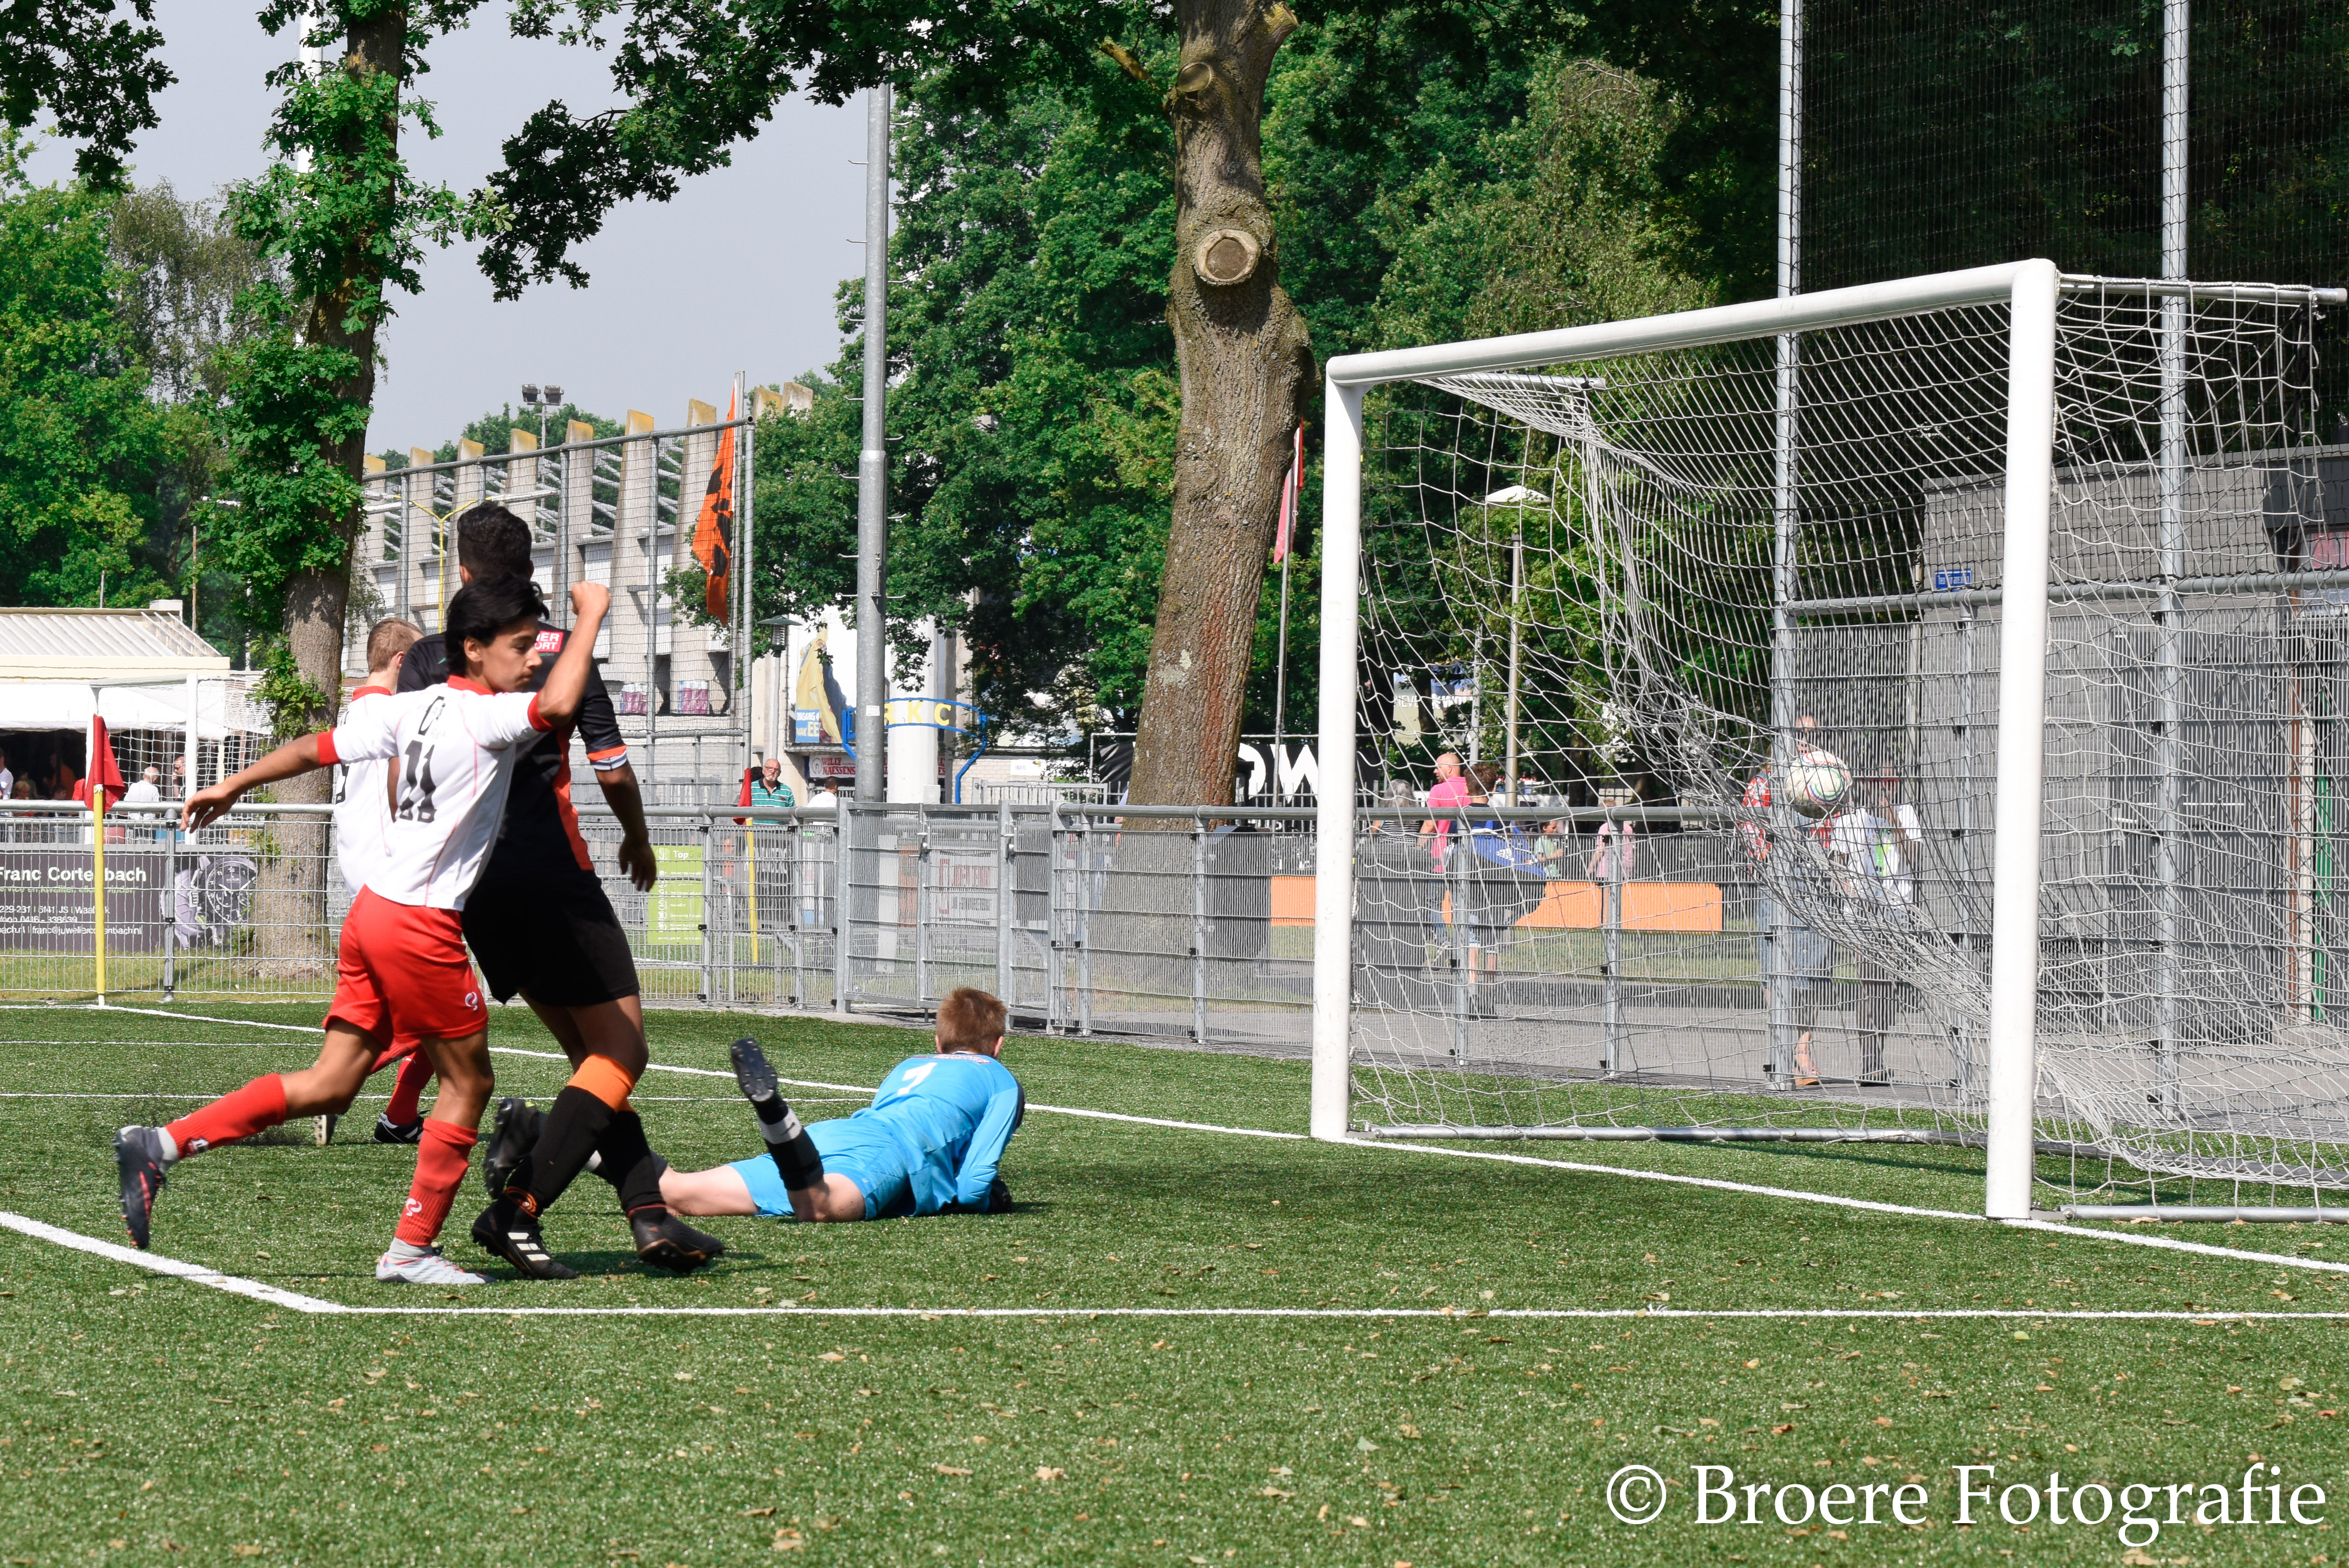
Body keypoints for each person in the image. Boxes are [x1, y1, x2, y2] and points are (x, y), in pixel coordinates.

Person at [111, 577, 614, 1286]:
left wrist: (233, 785)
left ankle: (160, 1143)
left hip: (373, 911)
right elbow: (561, 705)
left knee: (332, 1082)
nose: (534, 658)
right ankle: (411, 1250)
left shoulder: (408, 706)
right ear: (473, 649)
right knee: (469, 1082)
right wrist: (592, 614)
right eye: (523, 645)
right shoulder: (489, 716)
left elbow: (313, 749)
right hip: (418, 924)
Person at [395, 503, 716, 1279]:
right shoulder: (559, 648)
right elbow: (610, 763)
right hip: (551, 877)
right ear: (531, 569)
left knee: (591, 1059)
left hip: (470, 885)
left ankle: (647, 1212)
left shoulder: (425, 658)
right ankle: (518, 1206)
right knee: (623, 1049)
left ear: (462, 571)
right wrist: (637, 837)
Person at [656, 987, 1022, 1224]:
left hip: (834, 1135)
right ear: (998, 1045)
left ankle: (612, 1130)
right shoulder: (1001, 1080)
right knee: (819, 1207)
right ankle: (774, 1112)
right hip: (891, 1152)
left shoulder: (910, 1064)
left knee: (676, 1192)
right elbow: (974, 1185)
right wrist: (984, 1201)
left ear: (939, 1043)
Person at [314, 618, 440, 1148]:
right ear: (400, 663)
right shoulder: (393, 712)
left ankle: (397, 1117)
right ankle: (332, 1088)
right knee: (446, 1013)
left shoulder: (354, 711)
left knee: (422, 1013)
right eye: (421, 663)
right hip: (394, 880)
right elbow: (402, 793)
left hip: (360, 874)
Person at [1741, 715, 1836, 1087]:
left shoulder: (1827, 780)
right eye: (1800, 734)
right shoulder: (1765, 781)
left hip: (1817, 886)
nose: (1806, 741)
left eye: (1813, 735)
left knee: (1815, 971)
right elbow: (1750, 826)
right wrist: (1772, 856)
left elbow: (1835, 830)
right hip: (1778, 886)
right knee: (1775, 967)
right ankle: (1782, 1045)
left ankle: (1803, 1048)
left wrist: (1835, 867)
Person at [1831, 777, 1925, 1085]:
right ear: (1865, 785)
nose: (1883, 788)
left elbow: (1913, 858)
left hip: (1897, 912)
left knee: (1886, 990)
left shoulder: (1906, 813)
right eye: (1876, 782)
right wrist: (1852, 892)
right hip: (1863, 915)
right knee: (1869, 984)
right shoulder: (1849, 820)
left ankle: (1877, 1057)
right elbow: (1837, 866)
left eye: (1890, 782)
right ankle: (1869, 1062)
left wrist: (1892, 818)